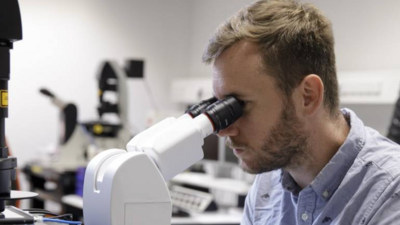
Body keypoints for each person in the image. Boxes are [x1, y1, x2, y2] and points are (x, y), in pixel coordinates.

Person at [202, 0, 400, 224]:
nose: (224, 130)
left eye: (240, 105)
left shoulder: (390, 195)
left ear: (308, 96)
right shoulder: (267, 184)